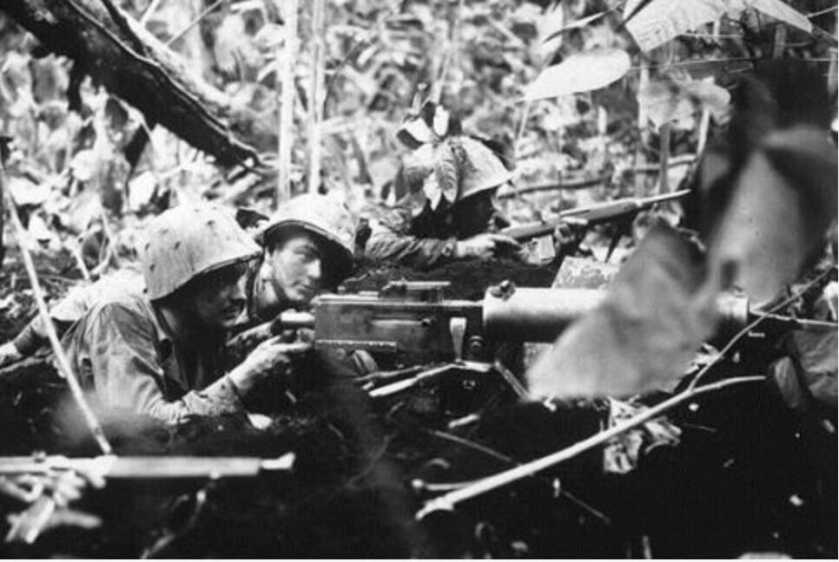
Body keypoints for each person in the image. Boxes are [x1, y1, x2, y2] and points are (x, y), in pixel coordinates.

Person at [59, 199, 355, 425]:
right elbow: (144, 432)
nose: (239, 295)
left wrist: (272, 334)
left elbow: (217, 366)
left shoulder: (198, 322)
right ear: (180, 284)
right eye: (221, 281)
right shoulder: (120, 315)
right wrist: (244, 378)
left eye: (238, 278)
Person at [0, 194, 356, 369]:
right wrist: (20, 346)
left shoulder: (312, 308)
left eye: (328, 265)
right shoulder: (216, 273)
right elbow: (114, 295)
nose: (316, 273)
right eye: (304, 255)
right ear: (272, 248)